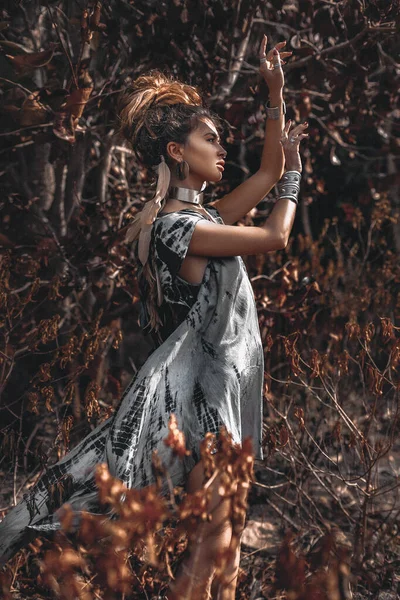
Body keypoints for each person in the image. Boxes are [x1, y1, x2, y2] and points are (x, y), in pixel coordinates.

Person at [0, 35, 308, 599]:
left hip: (218, 406)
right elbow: (274, 233)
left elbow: (265, 173)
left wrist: (276, 97)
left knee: (228, 556)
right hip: (200, 417)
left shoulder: (200, 219)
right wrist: (292, 178)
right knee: (208, 558)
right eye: (209, 139)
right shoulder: (176, 231)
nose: (221, 149)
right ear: (174, 151)